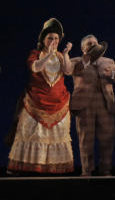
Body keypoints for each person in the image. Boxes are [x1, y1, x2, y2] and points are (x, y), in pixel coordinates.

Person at [7, 18, 74, 174]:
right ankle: (27, 168)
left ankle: (52, 168)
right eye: (50, 37)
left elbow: (68, 71)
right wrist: (47, 55)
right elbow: (36, 68)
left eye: (56, 38)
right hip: (36, 102)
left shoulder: (59, 55)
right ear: (43, 39)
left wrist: (65, 54)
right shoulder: (36, 54)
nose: (53, 41)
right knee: (34, 134)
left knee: (56, 136)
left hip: (59, 103)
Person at [69, 34, 115, 176]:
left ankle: (106, 170)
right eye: (89, 43)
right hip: (84, 105)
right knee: (85, 140)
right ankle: (87, 171)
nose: (93, 44)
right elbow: (67, 70)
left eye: (95, 42)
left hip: (105, 104)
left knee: (108, 138)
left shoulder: (108, 61)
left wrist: (112, 74)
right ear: (83, 48)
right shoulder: (76, 61)